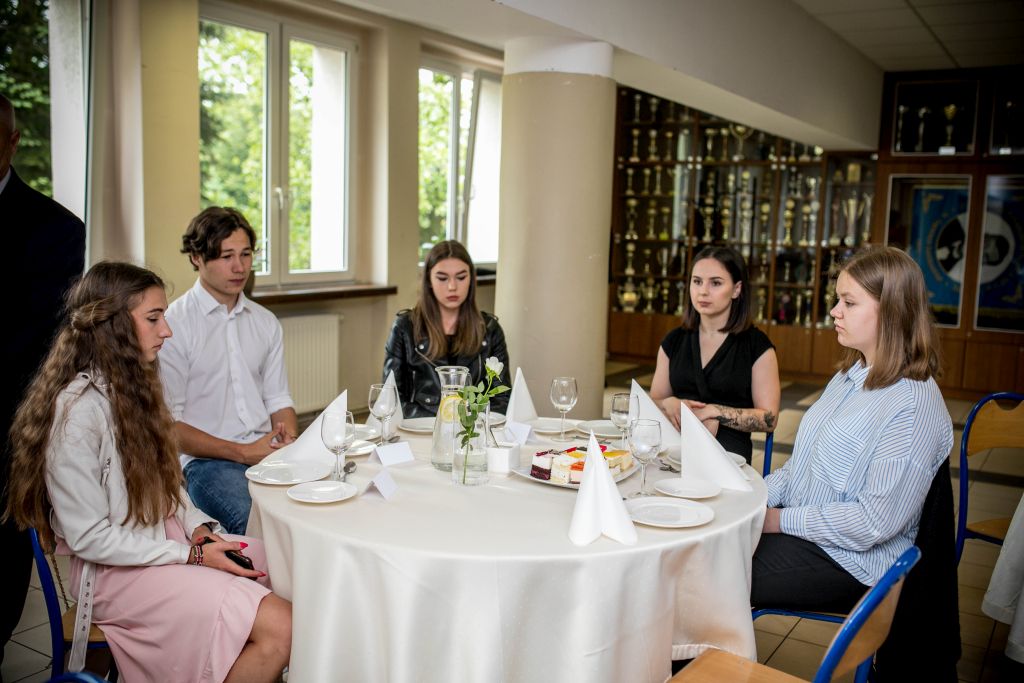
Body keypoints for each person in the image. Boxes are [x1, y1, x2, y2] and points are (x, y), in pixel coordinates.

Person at [4, 262, 291, 683]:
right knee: (281, 625)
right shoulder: (77, 413)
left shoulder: (137, 389)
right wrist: (191, 556)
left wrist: (198, 531)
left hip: (164, 545)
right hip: (115, 575)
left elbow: (170, 488)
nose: (167, 331)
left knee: (284, 564)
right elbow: (89, 538)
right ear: (114, 327)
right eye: (154, 318)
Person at [751, 246, 954, 616]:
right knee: (709, 550)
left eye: (849, 302)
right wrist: (753, 499)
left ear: (891, 311)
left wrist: (777, 520)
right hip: (809, 532)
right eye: (837, 300)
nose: (834, 311)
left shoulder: (912, 405)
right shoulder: (850, 374)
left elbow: (873, 523)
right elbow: (801, 468)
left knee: (714, 570)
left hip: (854, 563)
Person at [0, 93, 85, 669]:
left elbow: (38, 342)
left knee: (3, 564)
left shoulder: (55, 230)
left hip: (6, 423)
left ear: (11, 141)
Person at [159, 207, 297, 535]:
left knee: (322, 508)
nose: (240, 267)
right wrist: (243, 453)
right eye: (226, 256)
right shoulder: (173, 325)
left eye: (246, 254)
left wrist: (289, 442)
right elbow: (169, 426)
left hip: (265, 450)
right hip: (206, 463)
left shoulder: (265, 322)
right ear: (197, 258)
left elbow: (279, 399)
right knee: (259, 525)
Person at [650, 246, 780, 463]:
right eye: (697, 281)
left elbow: (769, 419)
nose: (703, 291)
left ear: (737, 289)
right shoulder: (673, 341)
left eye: (716, 283)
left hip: (727, 454)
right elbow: (654, 400)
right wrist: (668, 403)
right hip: (673, 448)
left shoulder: (757, 346)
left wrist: (714, 411)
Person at [384, 240, 510, 417]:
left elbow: (502, 400)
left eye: (461, 277)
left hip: (472, 430)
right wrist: (442, 421)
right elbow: (390, 399)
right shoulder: (405, 328)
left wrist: (467, 421)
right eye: (442, 278)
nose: (452, 286)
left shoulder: (490, 330)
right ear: (428, 280)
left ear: (471, 280)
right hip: (419, 428)